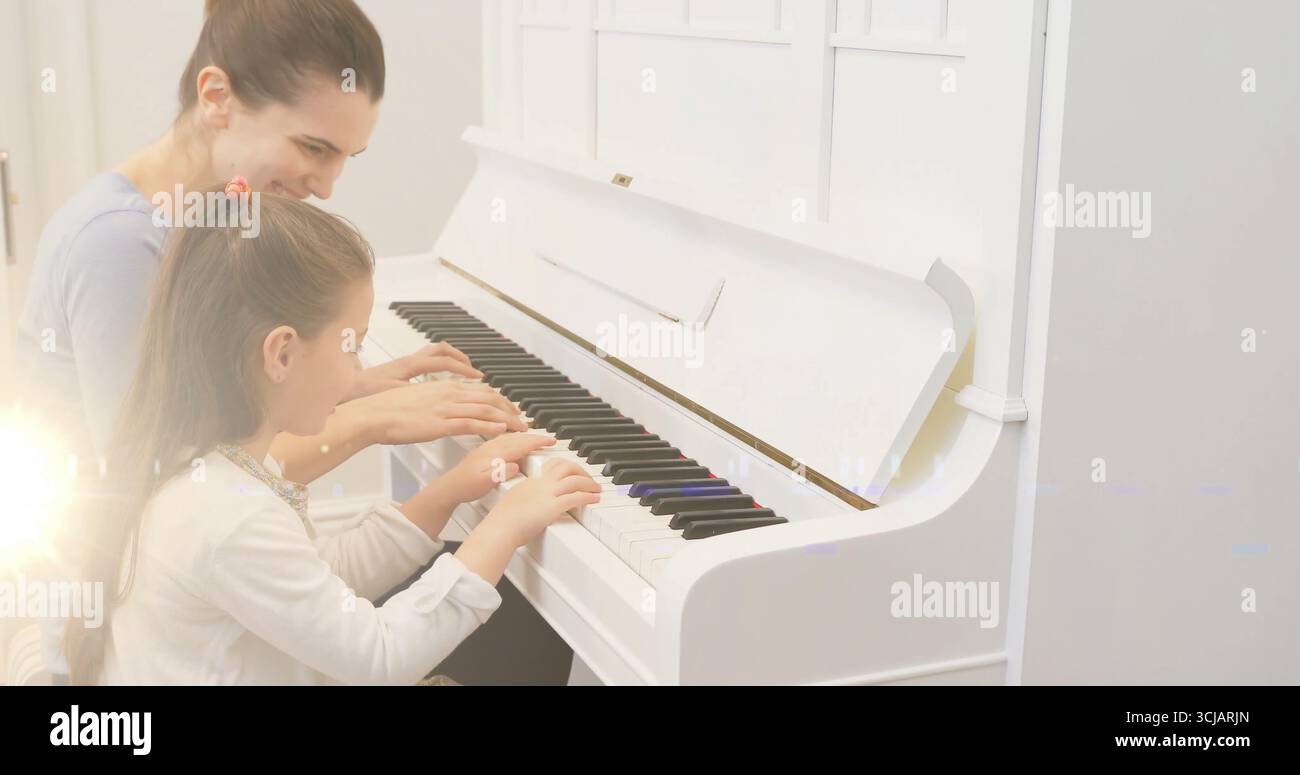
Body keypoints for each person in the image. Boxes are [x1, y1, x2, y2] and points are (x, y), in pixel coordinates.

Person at [14, 0, 522, 679]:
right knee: (479, 642)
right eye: (315, 148)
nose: (327, 184)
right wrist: (368, 418)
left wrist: (357, 383)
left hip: (180, 614)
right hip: (102, 647)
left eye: (346, 157)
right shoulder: (118, 242)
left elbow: (220, 415)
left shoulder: (203, 226)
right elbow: (159, 468)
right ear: (217, 97)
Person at [76, 189, 601, 684]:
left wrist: (449, 493)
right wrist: (505, 525)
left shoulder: (214, 466)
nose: (360, 373)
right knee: (525, 634)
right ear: (281, 354)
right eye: (352, 346)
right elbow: (380, 656)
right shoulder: (227, 515)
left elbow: (327, 578)